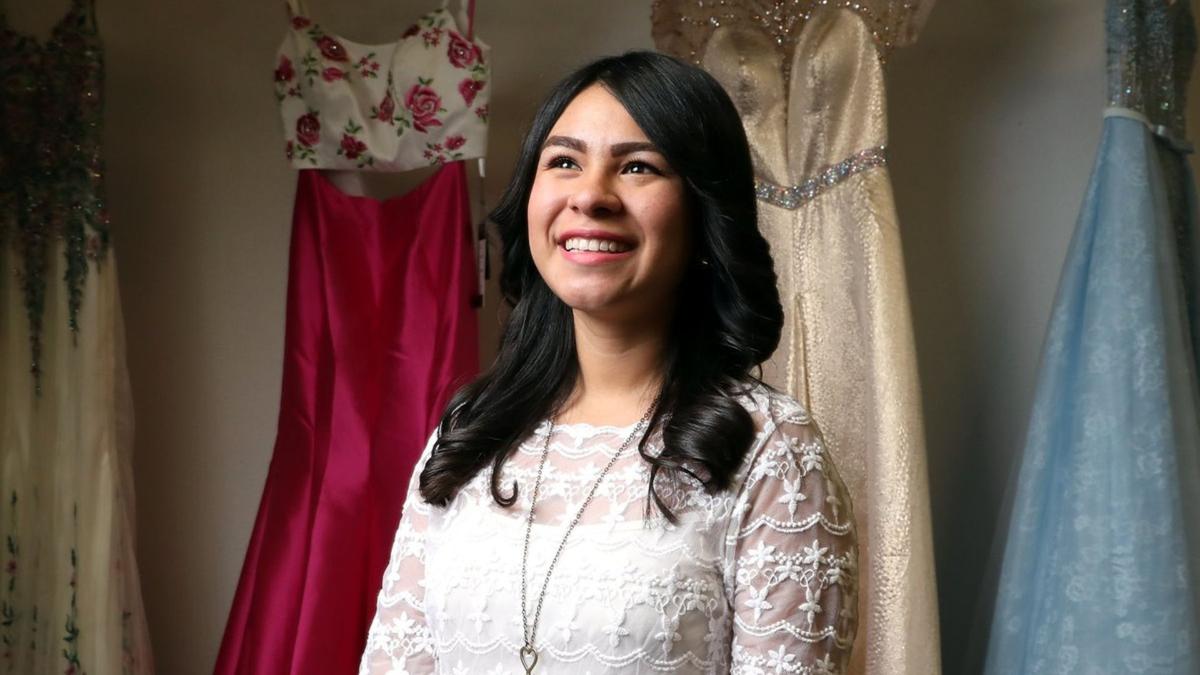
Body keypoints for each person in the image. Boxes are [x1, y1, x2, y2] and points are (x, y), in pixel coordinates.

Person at [358, 50, 858, 674]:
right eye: (564, 161)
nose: (590, 196)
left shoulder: (771, 452)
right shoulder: (469, 434)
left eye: (638, 167)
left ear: (705, 215)